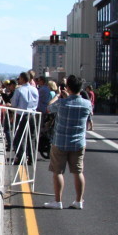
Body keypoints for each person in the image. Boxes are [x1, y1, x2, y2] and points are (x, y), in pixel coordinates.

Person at [43, 74, 93, 209]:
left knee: (58, 172)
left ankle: (58, 201)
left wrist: (58, 96)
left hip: (60, 141)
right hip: (78, 142)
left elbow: (49, 108)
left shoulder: (62, 103)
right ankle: (79, 201)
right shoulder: (87, 104)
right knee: (78, 172)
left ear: (68, 88)